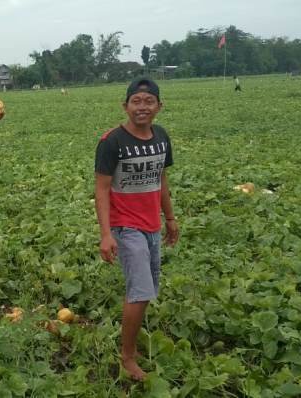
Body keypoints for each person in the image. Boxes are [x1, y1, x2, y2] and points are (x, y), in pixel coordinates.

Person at [94, 77, 179, 381]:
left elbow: (161, 181)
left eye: (149, 101)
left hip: (152, 225)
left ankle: (130, 345)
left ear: (159, 106)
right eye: (136, 101)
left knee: (144, 289)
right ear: (125, 106)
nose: (142, 107)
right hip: (125, 225)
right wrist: (106, 234)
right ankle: (127, 357)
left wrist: (169, 218)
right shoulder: (112, 142)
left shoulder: (161, 137)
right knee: (141, 291)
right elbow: (101, 190)